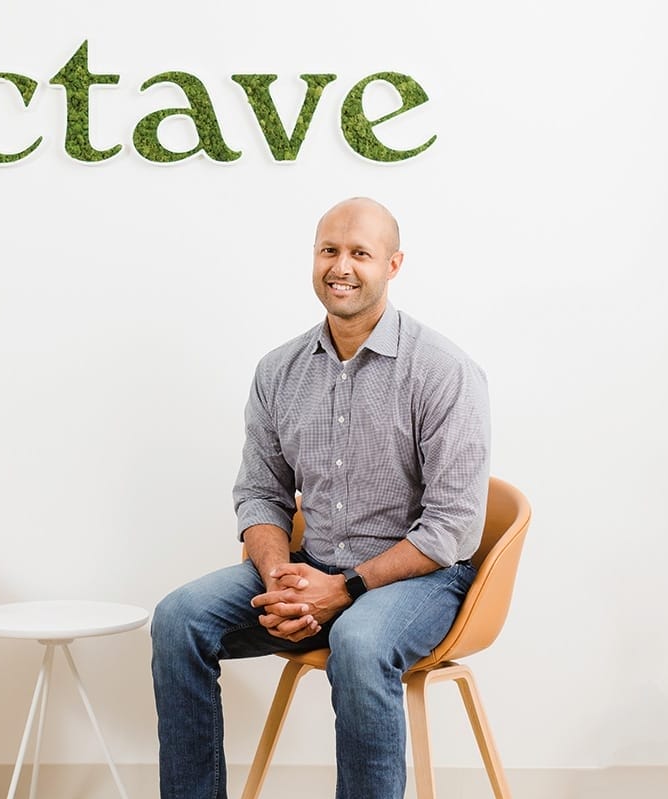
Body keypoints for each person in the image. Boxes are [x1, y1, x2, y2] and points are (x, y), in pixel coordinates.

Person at [151, 197, 490, 799]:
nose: (342, 266)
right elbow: (261, 494)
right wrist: (282, 576)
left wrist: (346, 588)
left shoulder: (443, 371)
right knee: (179, 619)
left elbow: (452, 530)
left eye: (361, 253)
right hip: (312, 570)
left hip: (421, 580)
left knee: (358, 644)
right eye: (329, 250)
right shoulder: (279, 370)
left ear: (393, 264)